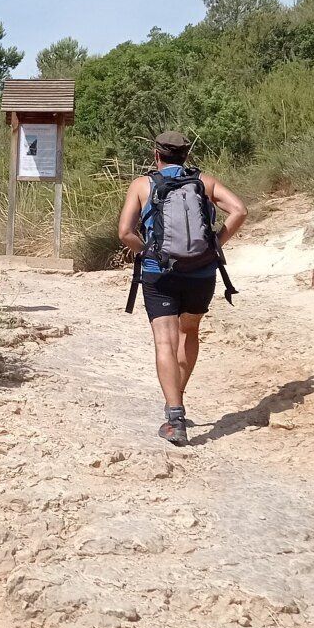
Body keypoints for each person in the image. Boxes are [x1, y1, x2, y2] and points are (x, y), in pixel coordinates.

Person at [116, 131, 246, 444]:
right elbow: (240, 210)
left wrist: (148, 251)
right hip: (201, 272)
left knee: (164, 342)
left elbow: (124, 232)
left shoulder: (142, 184)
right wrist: (215, 245)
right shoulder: (205, 182)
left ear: (155, 154)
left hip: (159, 274)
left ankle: (175, 417)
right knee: (189, 332)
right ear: (186, 156)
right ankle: (177, 398)